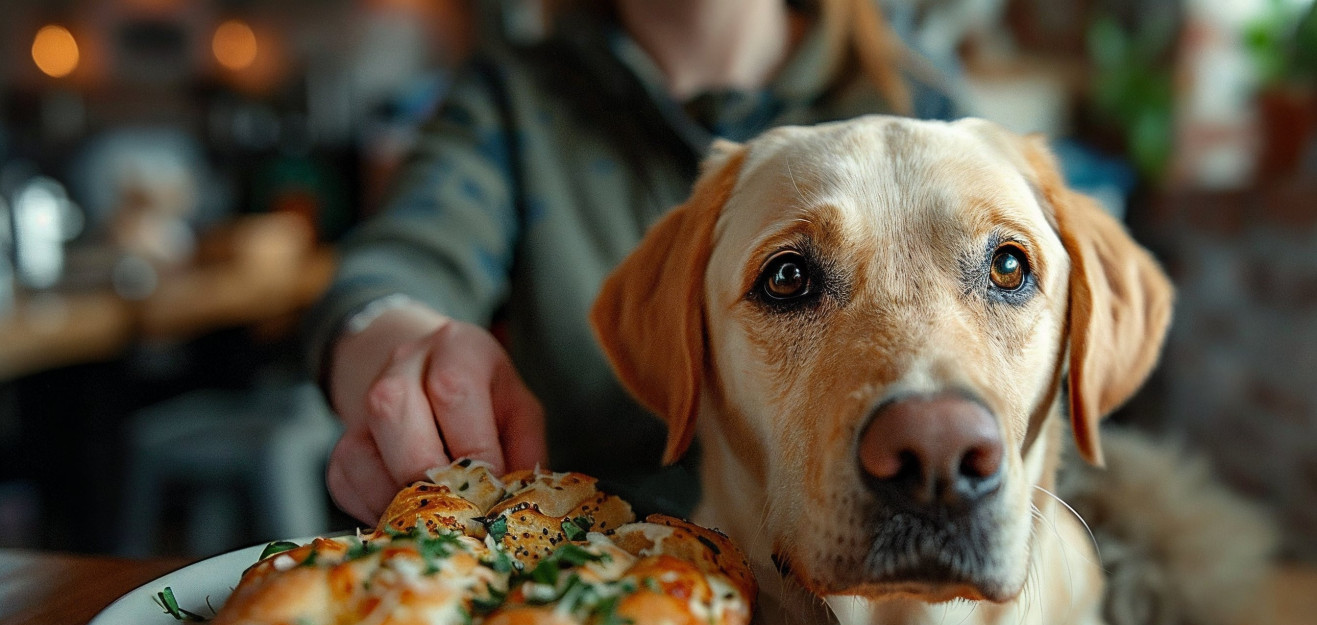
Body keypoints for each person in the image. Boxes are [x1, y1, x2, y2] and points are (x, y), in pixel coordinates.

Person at [304, 0, 951, 525]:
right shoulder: (512, 100)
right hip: (596, 595)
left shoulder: (919, 107)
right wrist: (406, 355)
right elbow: (394, 267)